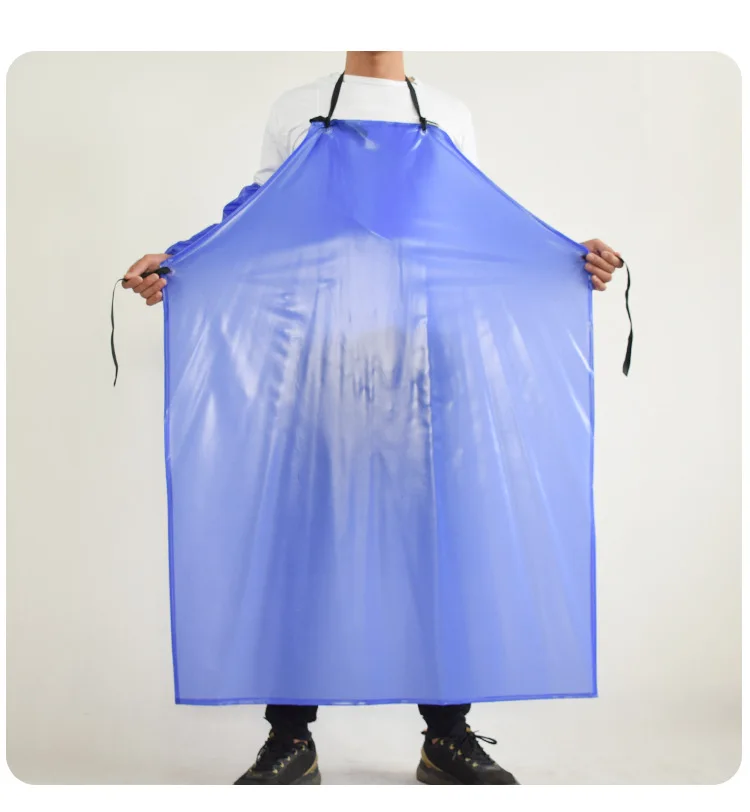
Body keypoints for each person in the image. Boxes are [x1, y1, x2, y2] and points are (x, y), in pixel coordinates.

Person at [123, 51, 623, 786]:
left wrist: (567, 257)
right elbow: (257, 222)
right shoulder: (296, 107)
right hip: (317, 351)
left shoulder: (448, 113)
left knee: (438, 545)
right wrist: (183, 259)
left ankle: (446, 736)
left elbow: (475, 231)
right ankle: (289, 738)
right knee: (303, 538)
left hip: (429, 358)